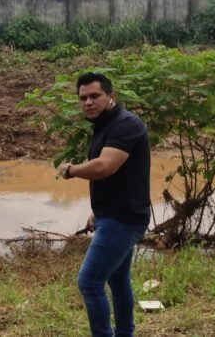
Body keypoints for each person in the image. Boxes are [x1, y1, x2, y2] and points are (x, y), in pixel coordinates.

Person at [57, 72, 151, 337]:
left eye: (95, 96)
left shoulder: (126, 124)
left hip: (124, 219)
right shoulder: (104, 127)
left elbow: (104, 167)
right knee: (117, 280)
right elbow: (115, 178)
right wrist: (97, 212)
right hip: (114, 215)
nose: (88, 102)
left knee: (89, 281)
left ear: (111, 96)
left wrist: (70, 170)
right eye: (83, 98)